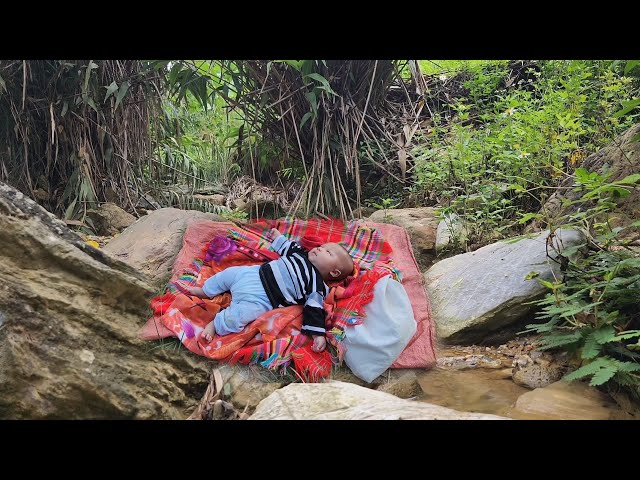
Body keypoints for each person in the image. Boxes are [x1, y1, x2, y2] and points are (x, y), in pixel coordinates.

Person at [183, 228, 354, 353]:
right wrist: (278, 237)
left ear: (334, 272)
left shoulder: (317, 287)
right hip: (253, 273)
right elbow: (286, 246)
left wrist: (318, 335)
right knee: (227, 274)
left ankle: (216, 324)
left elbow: (315, 310)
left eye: (328, 252)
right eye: (323, 246)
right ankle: (206, 291)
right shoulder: (300, 253)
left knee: (240, 316)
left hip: (262, 298)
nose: (320, 248)